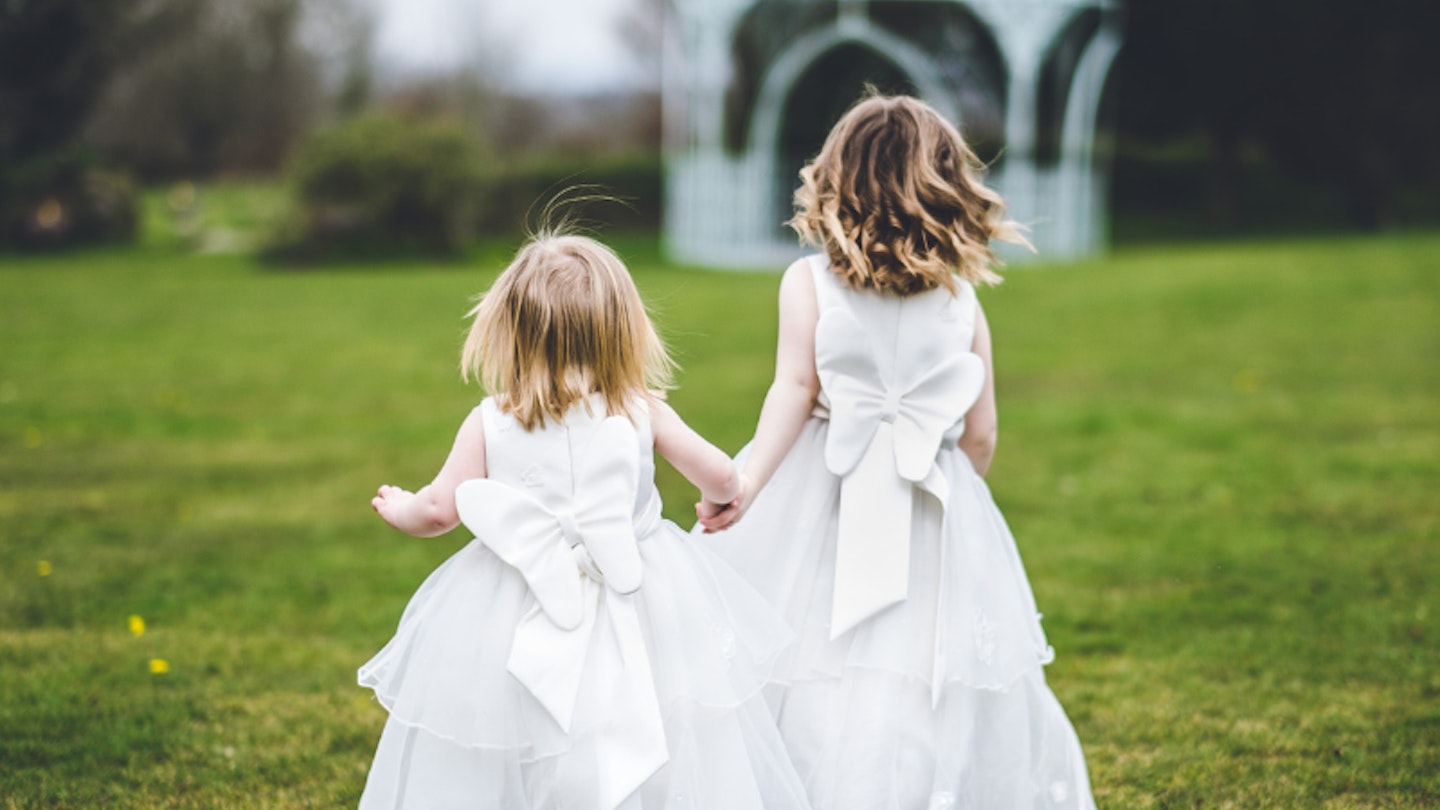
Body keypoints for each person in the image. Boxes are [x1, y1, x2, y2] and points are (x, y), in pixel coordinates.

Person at [697, 94, 1096, 809]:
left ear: (834, 180)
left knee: (808, 643)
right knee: (919, 661)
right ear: (945, 187)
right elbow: (982, 429)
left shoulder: (807, 283)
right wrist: (958, 500)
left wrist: (749, 480)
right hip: (928, 494)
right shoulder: (961, 298)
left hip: (820, 487)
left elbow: (793, 388)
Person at [358, 233, 811, 810]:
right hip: (642, 591)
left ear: (510, 330)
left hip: (515, 598)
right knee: (657, 714)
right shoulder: (641, 408)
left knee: (519, 726)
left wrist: (400, 506)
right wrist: (729, 494)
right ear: (623, 331)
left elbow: (440, 510)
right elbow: (720, 474)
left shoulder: (492, 421)